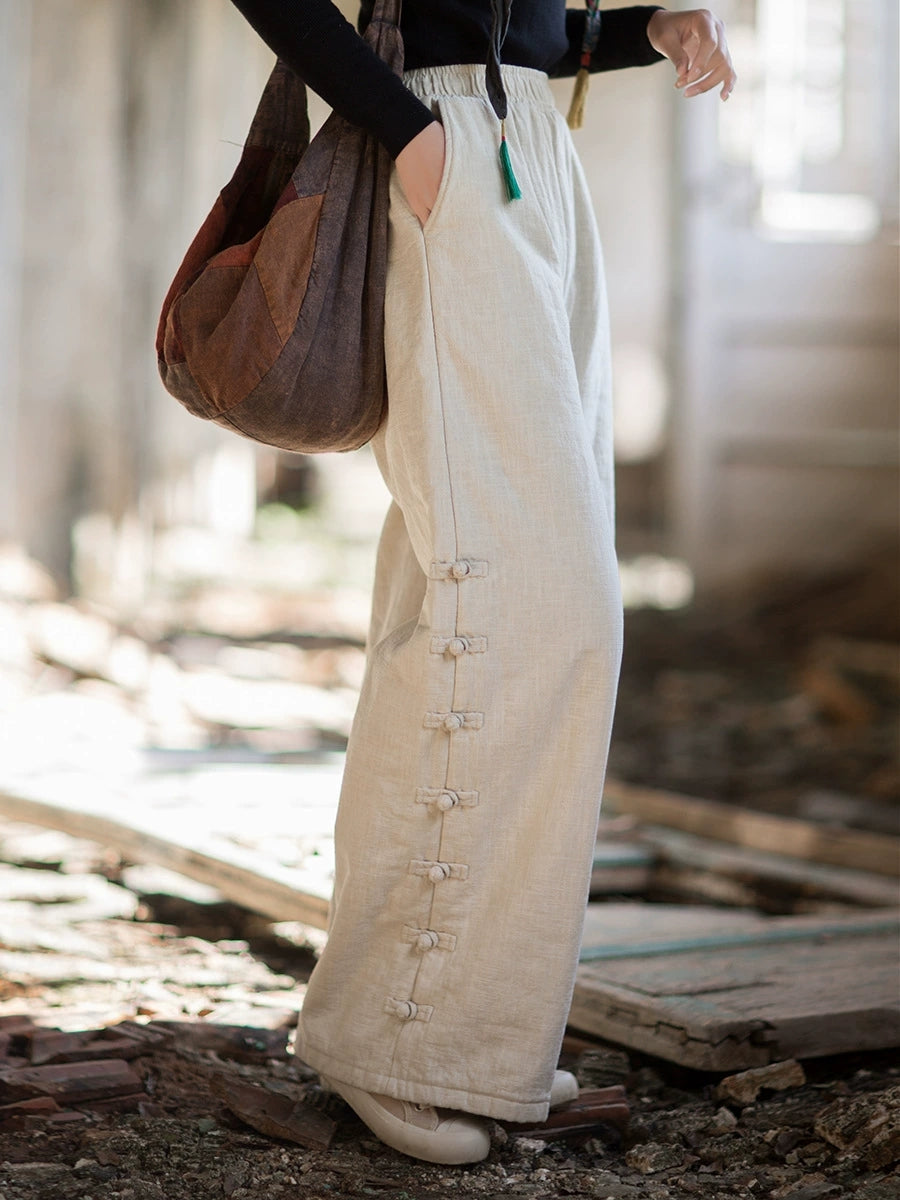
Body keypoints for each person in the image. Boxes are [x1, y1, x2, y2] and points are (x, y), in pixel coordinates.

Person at [229, 0, 736, 1166]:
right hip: (448, 147)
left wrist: (646, 29)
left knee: (472, 594)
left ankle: (473, 1034)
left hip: (530, 154)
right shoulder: (425, 133)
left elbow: (527, 29)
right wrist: (410, 132)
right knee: (527, 608)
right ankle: (398, 1035)